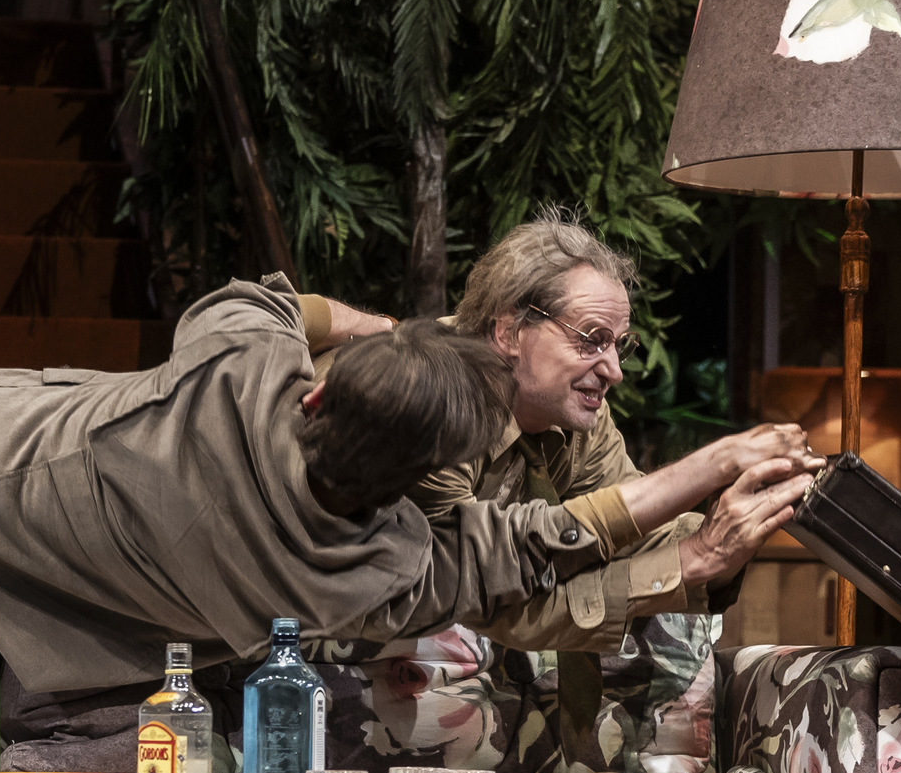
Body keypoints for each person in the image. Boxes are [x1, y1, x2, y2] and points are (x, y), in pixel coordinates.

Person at [0, 273, 814, 702]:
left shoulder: (240, 376)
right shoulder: (367, 572)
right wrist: (706, 474)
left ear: (320, 394)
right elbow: (522, 546)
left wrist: (401, 337)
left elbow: (261, 300)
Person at [302, 213, 818, 654]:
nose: (614, 370)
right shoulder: (431, 404)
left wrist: (734, 527)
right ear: (509, 331)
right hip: (322, 606)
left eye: (619, 345)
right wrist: (697, 549)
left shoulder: (576, 415)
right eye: (591, 340)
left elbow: (629, 528)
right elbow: (476, 589)